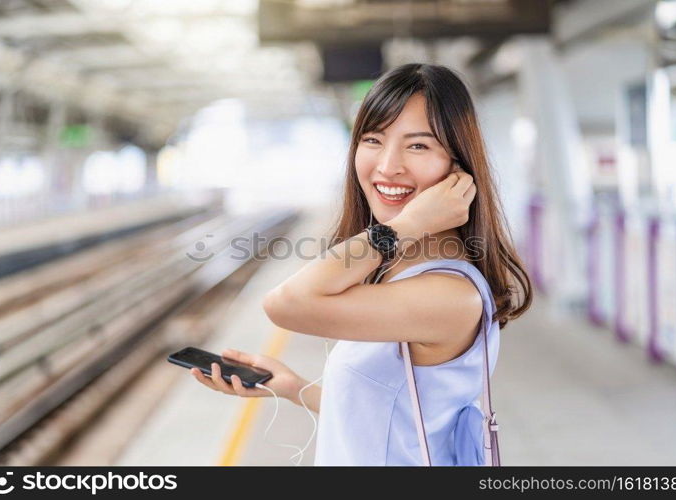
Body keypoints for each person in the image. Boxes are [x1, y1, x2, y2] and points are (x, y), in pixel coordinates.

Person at [191, 63, 532, 465]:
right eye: (373, 139)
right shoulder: (400, 270)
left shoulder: (449, 295)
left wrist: (408, 223)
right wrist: (292, 386)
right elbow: (395, 418)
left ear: (458, 170)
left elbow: (284, 304)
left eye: (418, 146)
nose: (388, 166)